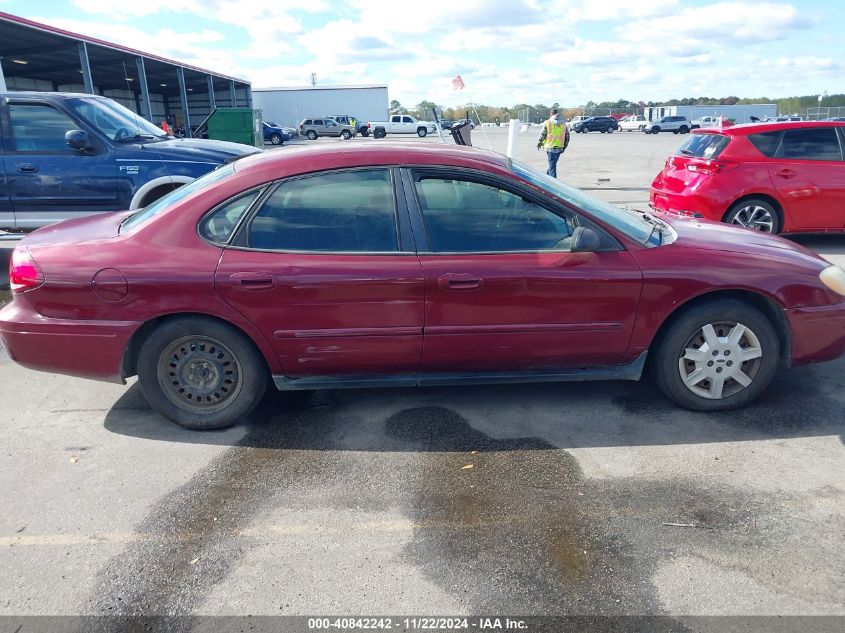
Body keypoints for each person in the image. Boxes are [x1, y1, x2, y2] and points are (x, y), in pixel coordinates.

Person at [537, 108, 570, 178]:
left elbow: (543, 134)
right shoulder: (563, 124)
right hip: (559, 147)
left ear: (551, 114)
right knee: (553, 164)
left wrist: (539, 143)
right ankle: (546, 177)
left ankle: (553, 180)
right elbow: (567, 136)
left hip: (550, 147)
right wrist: (564, 147)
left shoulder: (547, 122)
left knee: (552, 165)